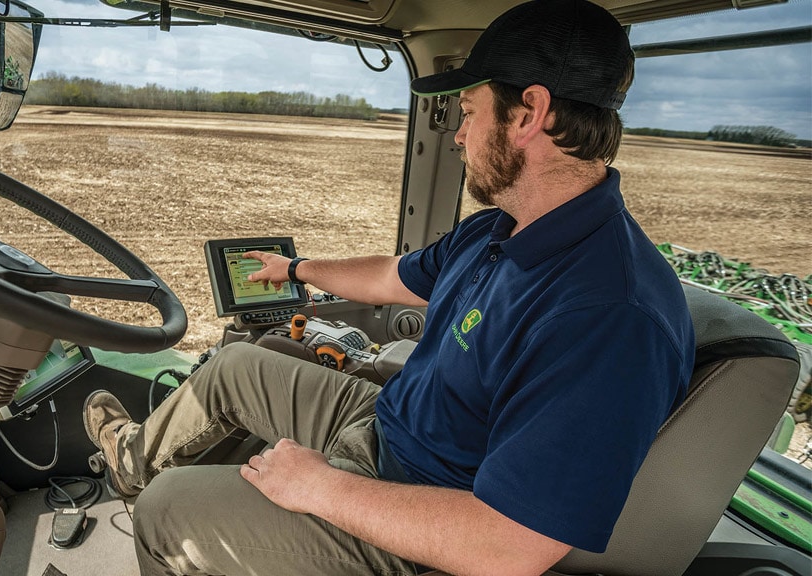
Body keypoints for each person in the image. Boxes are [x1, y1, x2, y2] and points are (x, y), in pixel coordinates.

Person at [83, 0, 695, 574]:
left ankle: (155, 502)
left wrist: (322, 488)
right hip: (389, 425)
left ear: (528, 114)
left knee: (169, 511)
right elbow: (388, 275)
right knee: (236, 365)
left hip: (419, 511)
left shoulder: (607, 313)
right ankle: (127, 463)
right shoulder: (497, 229)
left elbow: (511, 546)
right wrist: (294, 270)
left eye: (470, 112)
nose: (457, 135)